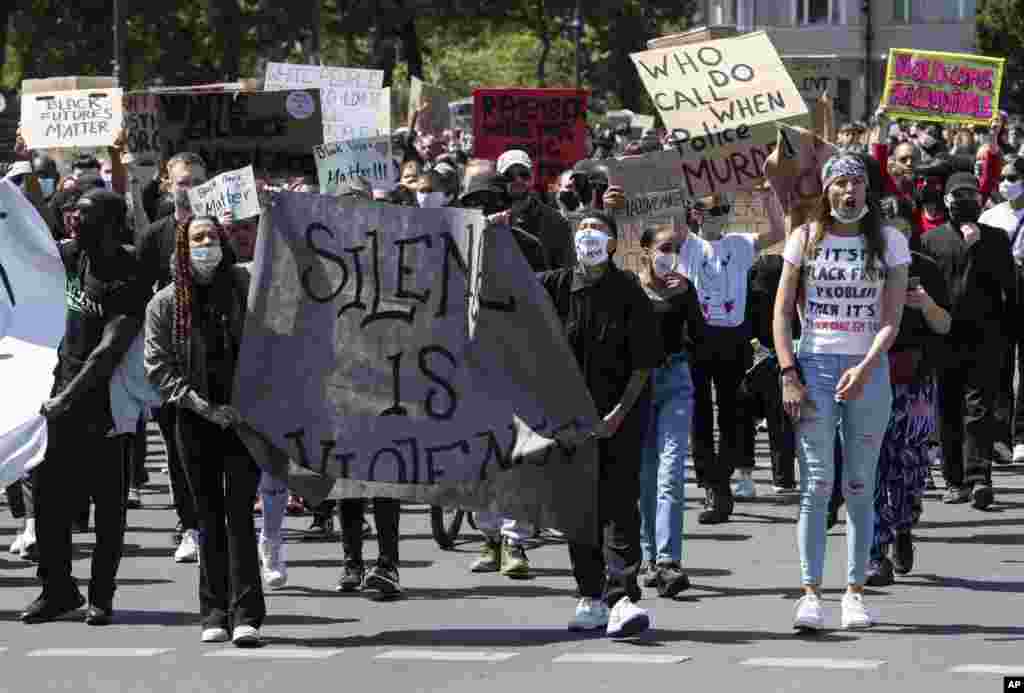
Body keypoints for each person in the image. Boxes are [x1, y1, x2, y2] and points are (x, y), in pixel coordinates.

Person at [774, 154, 910, 631]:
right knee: (815, 485)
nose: (849, 192)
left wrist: (867, 365)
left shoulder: (890, 241)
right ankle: (811, 593)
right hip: (814, 369)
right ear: (827, 191)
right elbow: (781, 315)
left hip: (868, 370)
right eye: (841, 183)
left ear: (867, 192)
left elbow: (891, 320)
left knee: (858, 486)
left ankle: (854, 592)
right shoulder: (804, 238)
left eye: (857, 183)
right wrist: (790, 372)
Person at [22, 189, 152, 627]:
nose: (75, 220)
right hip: (55, 403)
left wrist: (66, 399)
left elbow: (108, 351)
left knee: (108, 508)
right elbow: (23, 238)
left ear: (113, 225)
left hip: (103, 405)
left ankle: (101, 596)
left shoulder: (129, 271)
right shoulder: (67, 256)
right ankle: (57, 589)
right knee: (48, 502)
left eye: (87, 215)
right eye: (74, 213)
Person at [539, 211, 662, 637]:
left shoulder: (627, 289)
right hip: (568, 423)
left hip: (618, 419)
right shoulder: (554, 286)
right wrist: (494, 231)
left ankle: (622, 596)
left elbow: (644, 362)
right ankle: (589, 594)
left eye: (599, 230)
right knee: (578, 508)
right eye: (583, 229)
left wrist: (617, 414)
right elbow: (502, 290)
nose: (589, 235)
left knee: (618, 505)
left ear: (613, 243)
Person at [144, 216, 265, 646]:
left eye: (213, 237)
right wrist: (202, 406)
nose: (206, 244)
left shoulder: (245, 290)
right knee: (207, 518)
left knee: (239, 516)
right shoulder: (164, 304)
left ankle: (247, 614)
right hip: (194, 421)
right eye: (198, 238)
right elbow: (158, 367)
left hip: (242, 421)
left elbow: (270, 343)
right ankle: (214, 612)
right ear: (183, 245)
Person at [678, 190, 785, 516]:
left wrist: (769, 197)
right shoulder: (689, 245)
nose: (720, 216)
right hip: (698, 336)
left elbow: (779, 233)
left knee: (733, 411)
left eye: (725, 209)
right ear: (697, 214)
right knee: (699, 413)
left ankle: (722, 479)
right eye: (713, 210)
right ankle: (710, 484)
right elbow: (659, 223)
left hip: (733, 337)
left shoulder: (739, 242)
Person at [866, 197, 951, 586]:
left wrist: (926, 304)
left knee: (910, 465)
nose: (894, 238)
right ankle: (875, 551)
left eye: (901, 229)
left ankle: (903, 527)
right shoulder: (863, 265)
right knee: (872, 465)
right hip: (871, 375)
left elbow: (945, 325)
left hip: (915, 381)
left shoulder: (926, 268)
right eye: (887, 230)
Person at [921, 172, 1017, 509]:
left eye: (972, 194)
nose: (967, 200)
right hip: (943, 337)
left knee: (979, 409)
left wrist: (1010, 335)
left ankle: (979, 478)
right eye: (959, 195)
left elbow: (1009, 287)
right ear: (946, 200)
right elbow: (925, 290)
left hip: (985, 336)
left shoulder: (995, 239)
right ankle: (954, 480)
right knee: (946, 409)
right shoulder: (931, 241)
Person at [135, 152, 209, 564]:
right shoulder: (155, 236)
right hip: (171, 362)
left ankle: (223, 522)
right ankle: (190, 525)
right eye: (183, 181)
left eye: (199, 180)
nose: (191, 188)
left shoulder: (221, 233)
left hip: (217, 357)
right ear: (167, 185)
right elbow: (137, 298)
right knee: (179, 449)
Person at [635, 224, 701, 598]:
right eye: (662, 247)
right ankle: (648, 556)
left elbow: (702, 336)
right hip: (639, 386)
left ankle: (667, 561)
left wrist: (688, 298)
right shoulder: (630, 288)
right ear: (645, 250)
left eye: (674, 248)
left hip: (676, 380)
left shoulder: (682, 288)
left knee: (671, 472)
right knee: (646, 476)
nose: (669, 254)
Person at [980, 156, 1024, 464]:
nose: (1005, 183)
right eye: (1003, 178)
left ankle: (1021, 434)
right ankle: (1000, 436)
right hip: (1001, 295)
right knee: (1001, 365)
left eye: (1012, 177)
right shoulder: (992, 216)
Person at [496, 150, 574, 270]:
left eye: (523, 174)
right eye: (509, 175)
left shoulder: (556, 221)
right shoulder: (488, 218)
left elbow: (566, 273)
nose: (518, 180)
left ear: (532, 177)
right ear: (499, 179)